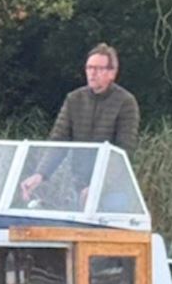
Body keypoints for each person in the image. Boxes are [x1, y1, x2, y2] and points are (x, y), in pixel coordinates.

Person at [18, 43, 140, 204]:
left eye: (98, 68)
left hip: (113, 190)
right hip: (79, 185)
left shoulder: (126, 102)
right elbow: (58, 142)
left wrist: (98, 186)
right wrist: (40, 174)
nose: (92, 73)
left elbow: (123, 151)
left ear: (112, 73)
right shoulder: (74, 99)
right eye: (89, 67)